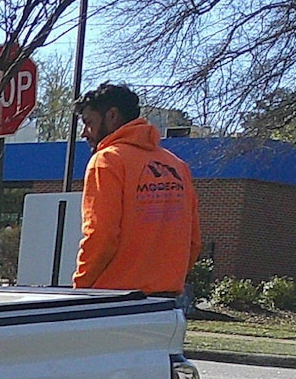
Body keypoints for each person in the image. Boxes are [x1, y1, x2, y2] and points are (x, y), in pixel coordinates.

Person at [73, 82, 200, 295]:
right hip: (166, 303)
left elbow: (101, 235)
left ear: (112, 116)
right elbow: (193, 241)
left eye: (88, 123)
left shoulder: (107, 161)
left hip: (113, 301)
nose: (85, 133)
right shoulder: (177, 165)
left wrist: (81, 288)